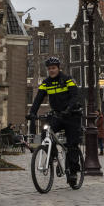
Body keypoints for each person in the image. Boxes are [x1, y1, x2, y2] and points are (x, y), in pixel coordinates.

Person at [25, 56, 83, 186]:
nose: (51, 70)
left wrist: (69, 109)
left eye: (53, 68)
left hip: (71, 115)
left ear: (58, 68)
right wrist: (32, 113)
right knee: (46, 133)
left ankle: (73, 172)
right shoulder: (46, 83)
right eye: (49, 68)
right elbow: (38, 99)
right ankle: (53, 156)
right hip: (57, 116)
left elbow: (75, 96)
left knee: (72, 144)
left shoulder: (67, 80)